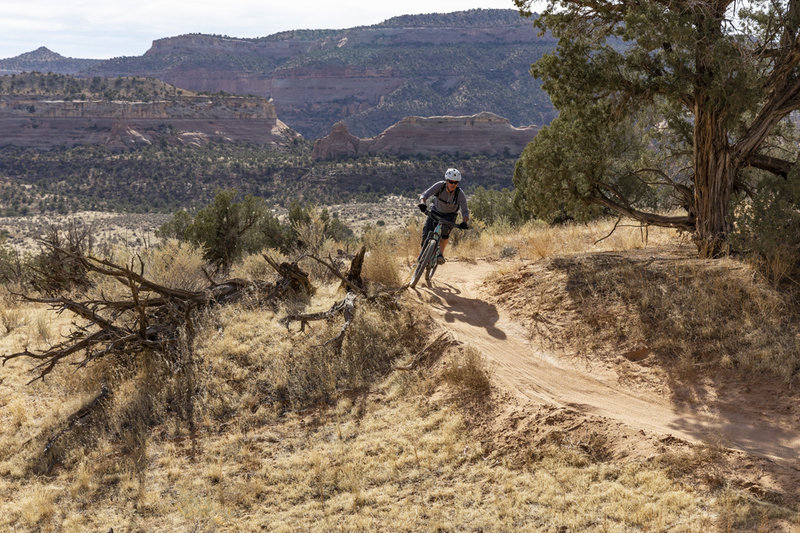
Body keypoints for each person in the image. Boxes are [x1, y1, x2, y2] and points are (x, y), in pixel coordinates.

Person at [418, 168, 470, 265]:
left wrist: (464, 222)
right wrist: (422, 203)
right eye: (451, 182)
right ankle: (422, 257)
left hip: (450, 216)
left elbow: (465, 211)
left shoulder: (459, 194)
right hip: (435, 211)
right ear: (447, 181)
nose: (453, 185)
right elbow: (424, 195)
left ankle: (440, 255)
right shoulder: (439, 186)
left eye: (456, 182)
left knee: (445, 233)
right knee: (426, 233)